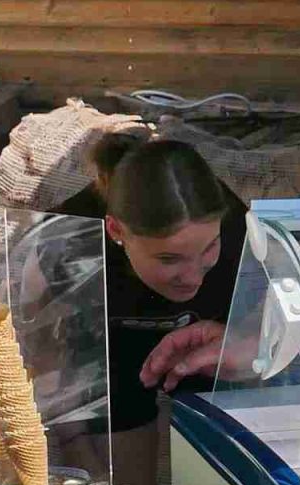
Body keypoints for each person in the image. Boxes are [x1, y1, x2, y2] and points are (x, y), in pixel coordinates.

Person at [74, 129, 248, 404]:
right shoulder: (69, 245)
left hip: (210, 377)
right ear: (116, 230)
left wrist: (247, 346)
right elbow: (50, 369)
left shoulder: (241, 234)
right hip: (103, 374)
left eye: (209, 247)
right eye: (169, 258)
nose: (194, 278)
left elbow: (270, 329)